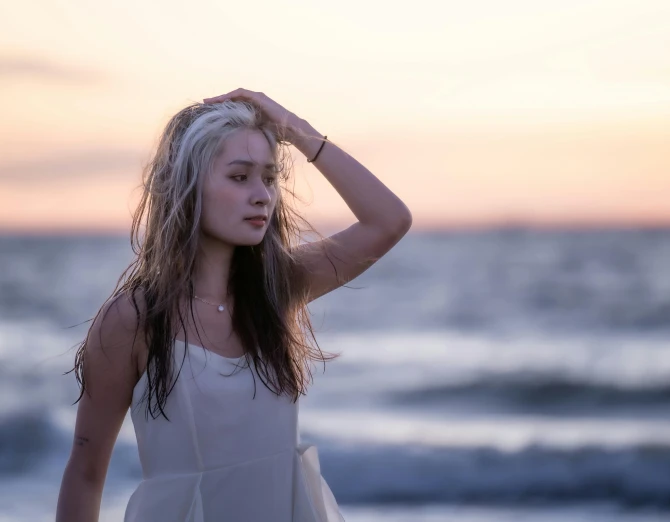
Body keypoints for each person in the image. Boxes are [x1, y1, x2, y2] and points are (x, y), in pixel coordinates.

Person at [55, 88, 412, 521]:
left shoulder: (277, 290)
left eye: (269, 177)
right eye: (240, 177)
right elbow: (87, 472)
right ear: (186, 185)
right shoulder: (134, 319)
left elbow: (390, 220)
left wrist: (295, 129)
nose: (262, 194)